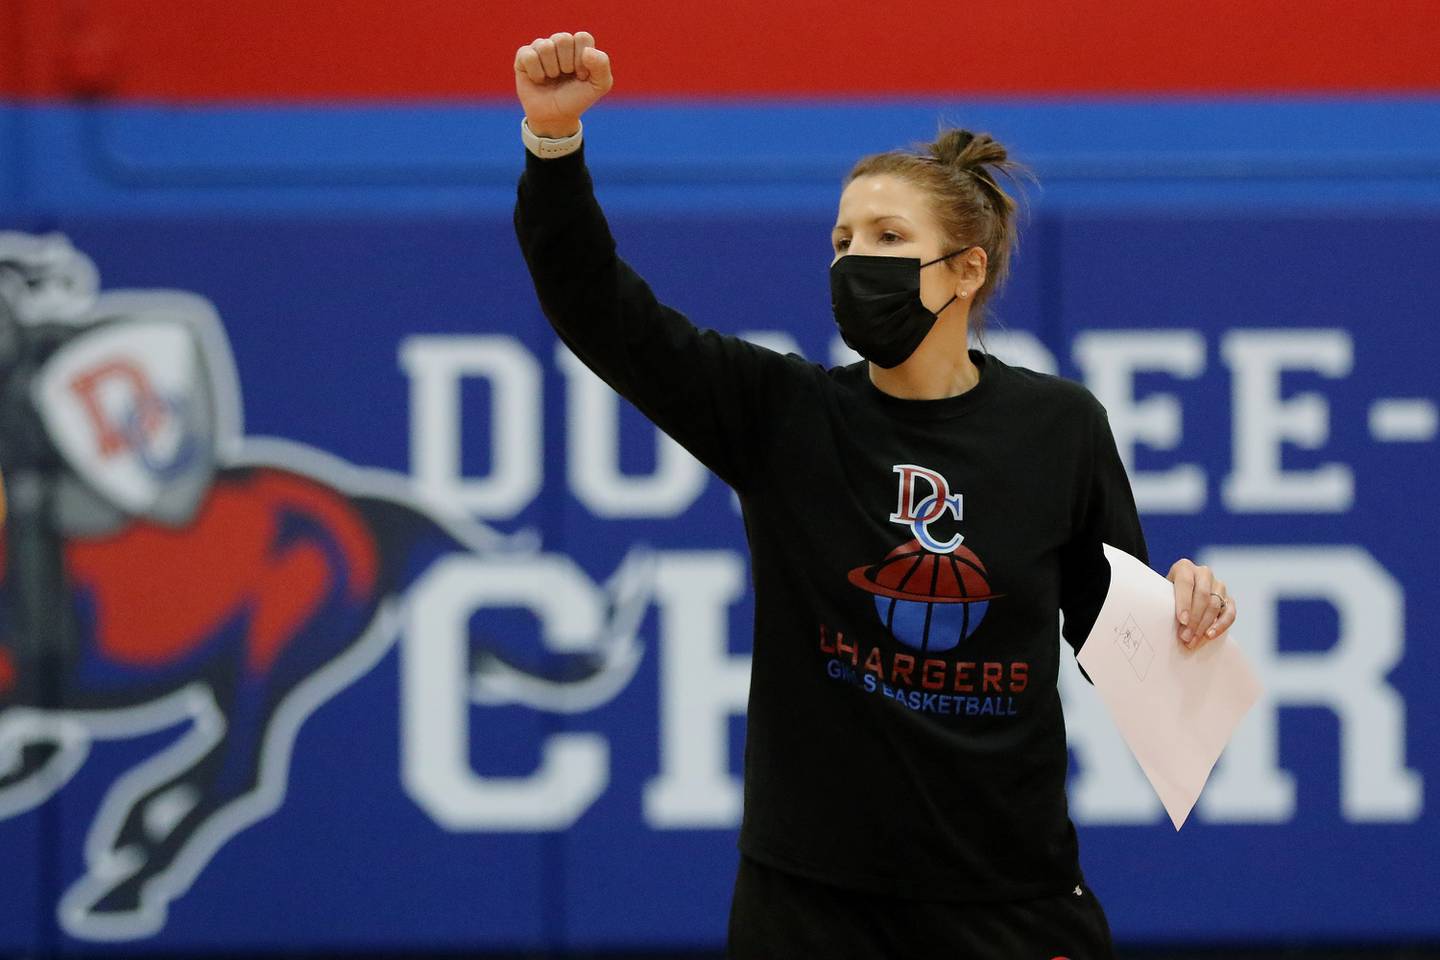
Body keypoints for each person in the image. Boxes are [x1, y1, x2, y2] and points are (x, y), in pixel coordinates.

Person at [513, 31, 1237, 959]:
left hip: (1007, 900)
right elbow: (596, 308)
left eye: (890, 239)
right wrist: (553, 140)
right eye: (843, 240)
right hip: (813, 906)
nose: (856, 260)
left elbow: (1122, 641)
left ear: (966, 271)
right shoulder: (783, 415)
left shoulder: (1059, 428)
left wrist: (1187, 609)